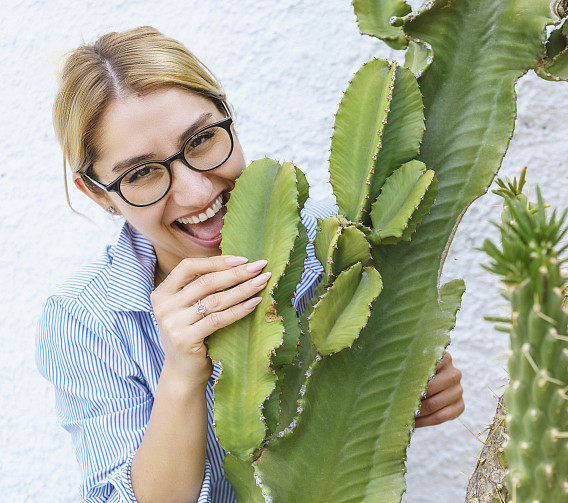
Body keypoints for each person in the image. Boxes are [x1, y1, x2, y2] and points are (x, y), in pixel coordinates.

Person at [36, 26, 465, 503]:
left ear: (228, 114)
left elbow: (374, 399)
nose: (197, 193)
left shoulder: (338, 238)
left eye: (201, 140)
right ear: (97, 194)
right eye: (141, 173)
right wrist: (181, 373)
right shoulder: (85, 319)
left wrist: (413, 386)